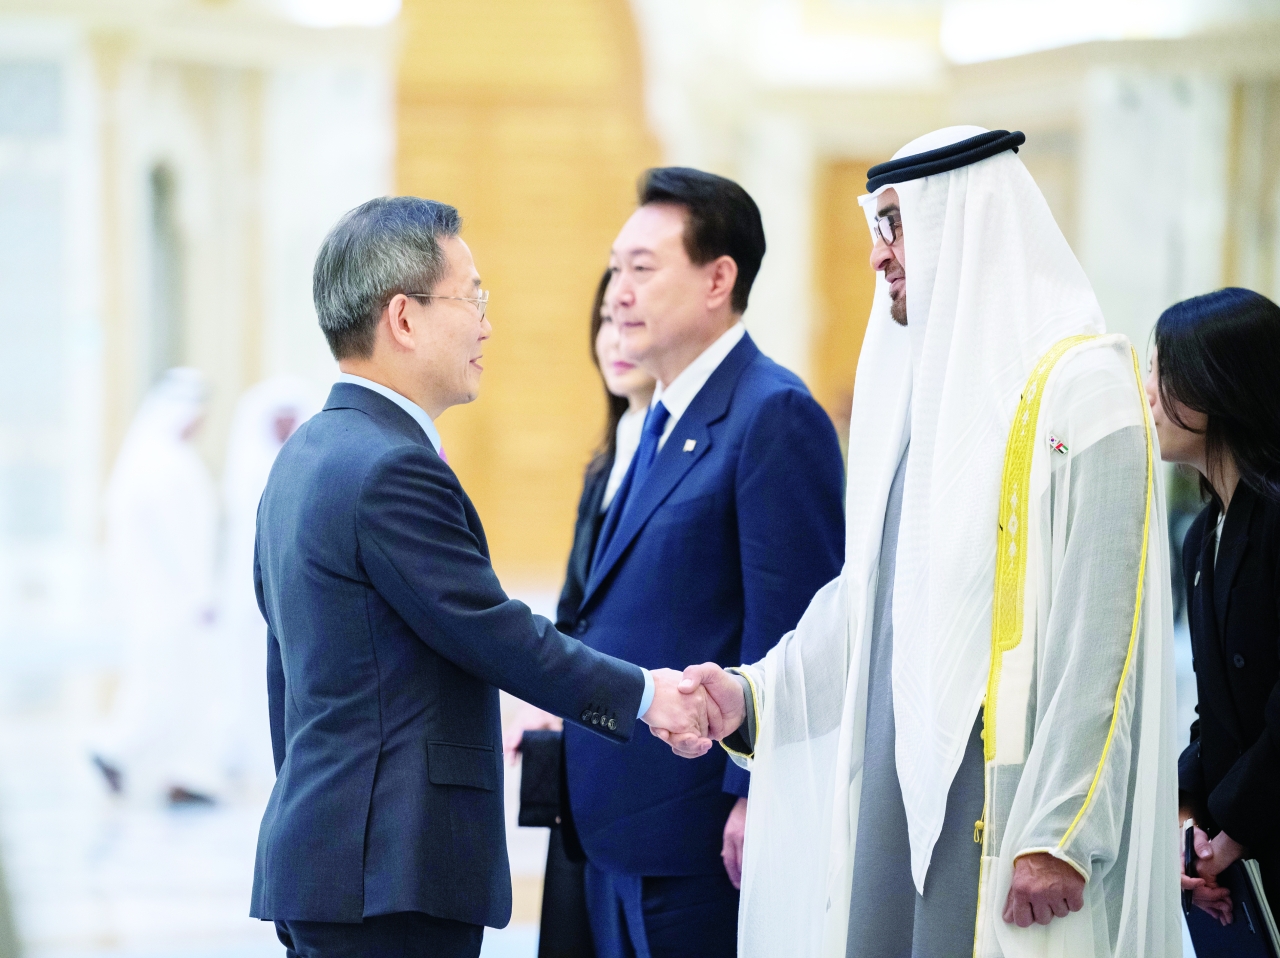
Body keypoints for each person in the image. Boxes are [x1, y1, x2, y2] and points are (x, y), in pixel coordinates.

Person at [677, 127, 1182, 957]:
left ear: (968, 223)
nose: (879, 255)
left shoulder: (1085, 389)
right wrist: (752, 694)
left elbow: (1104, 629)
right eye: (877, 228)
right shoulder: (922, 404)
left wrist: (1061, 829)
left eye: (896, 225)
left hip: (1007, 808)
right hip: (893, 783)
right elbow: (866, 605)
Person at [250, 196, 712, 958]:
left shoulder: (305, 456)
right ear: (404, 318)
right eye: (471, 298)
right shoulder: (390, 468)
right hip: (391, 871)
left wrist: (316, 828)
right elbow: (495, 633)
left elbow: (287, 681)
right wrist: (646, 694)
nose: (487, 326)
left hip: (328, 858)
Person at [560, 168, 846, 958]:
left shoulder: (772, 413)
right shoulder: (657, 419)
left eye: (643, 269)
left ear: (719, 279)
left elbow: (794, 632)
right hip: (618, 827)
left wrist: (756, 795)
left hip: (700, 838)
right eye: (616, 268)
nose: (619, 293)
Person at [503, 270, 657, 958]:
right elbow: (576, 611)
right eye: (604, 324)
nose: (615, 342)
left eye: (629, 324)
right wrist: (549, 700)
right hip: (589, 765)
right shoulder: (604, 464)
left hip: (651, 761)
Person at [1145, 287, 1280, 921]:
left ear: (1220, 383)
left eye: (1163, 371)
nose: (1148, 392)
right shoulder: (1203, 535)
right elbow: (1219, 714)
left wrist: (1231, 835)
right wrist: (1187, 822)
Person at [93, 367, 223, 806]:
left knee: (170, 685)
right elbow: (181, 540)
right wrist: (201, 594)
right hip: (171, 601)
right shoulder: (164, 462)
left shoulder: (151, 457)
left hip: (160, 600)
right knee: (170, 686)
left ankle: (178, 773)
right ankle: (120, 752)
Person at [215, 376, 319, 799]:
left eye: (291, 418)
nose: (285, 426)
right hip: (245, 597)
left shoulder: (306, 463)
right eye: (278, 419)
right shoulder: (248, 469)